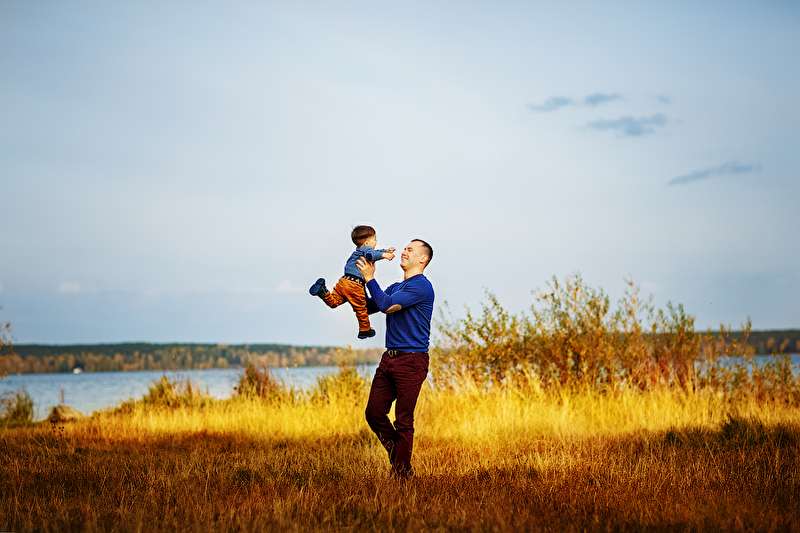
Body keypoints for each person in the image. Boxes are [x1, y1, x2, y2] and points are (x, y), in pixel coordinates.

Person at [357, 238, 434, 478]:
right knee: (374, 412)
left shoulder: (421, 286)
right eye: (405, 248)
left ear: (423, 259)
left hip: (412, 361)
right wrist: (347, 288)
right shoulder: (395, 287)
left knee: (403, 420)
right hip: (388, 359)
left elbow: (387, 306)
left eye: (410, 249)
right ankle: (399, 458)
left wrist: (371, 279)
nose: (404, 251)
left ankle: (401, 472)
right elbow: (372, 305)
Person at [309, 225, 395, 339]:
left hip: (344, 281)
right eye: (374, 239)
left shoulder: (359, 250)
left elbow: (373, 252)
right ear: (366, 243)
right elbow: (371, 255)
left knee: (334, 302)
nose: (376, 241)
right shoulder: (367, 251)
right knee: (361, 308)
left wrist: (384, 251)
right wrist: (384, 255)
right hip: (354, 285)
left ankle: (322, 292)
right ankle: (365, 330)